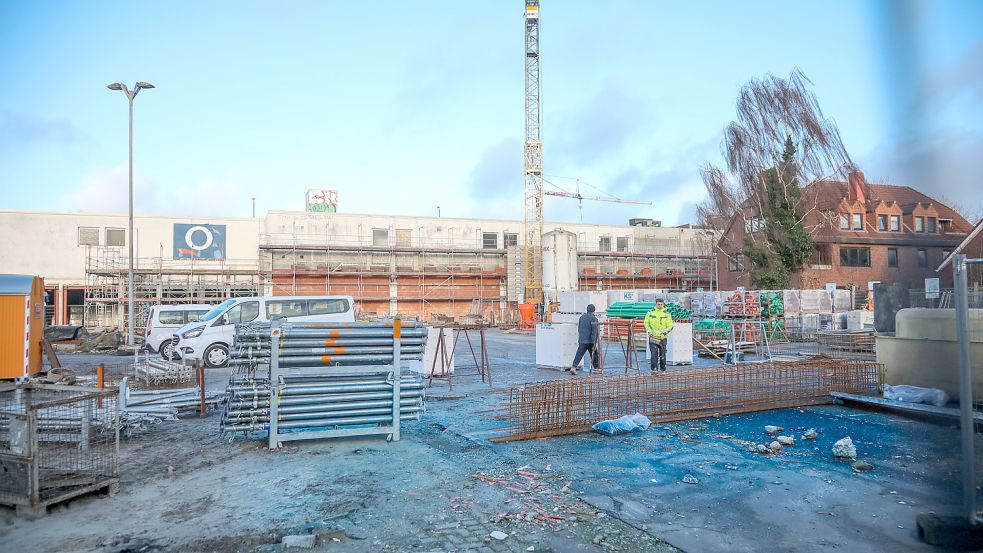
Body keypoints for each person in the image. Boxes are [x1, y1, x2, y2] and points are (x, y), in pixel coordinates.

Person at [643, 298, 674, 372]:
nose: (660, 306)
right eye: (658, 304)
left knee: (662, 355)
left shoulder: (667, 314)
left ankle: (663, 369)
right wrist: (649, 332)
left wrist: (664, 333)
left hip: (662, 338)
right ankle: (654, 369)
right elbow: (646, 323)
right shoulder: (650, 313)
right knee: (654, 354)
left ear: (663, 304)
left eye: (661, 304)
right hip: (653, 337)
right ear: (655, 304)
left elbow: (670, 326)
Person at [569, 304, 599, 375]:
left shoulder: (582, 317)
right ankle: (597, 369)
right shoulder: (594, 319)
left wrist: (581, 338)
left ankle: (573, 367)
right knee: (594, 355)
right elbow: (594, 331)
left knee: (579, 354)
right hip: (590, 341)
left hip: (582, 340)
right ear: (594, 311)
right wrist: (594, 342)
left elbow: (579, 328)